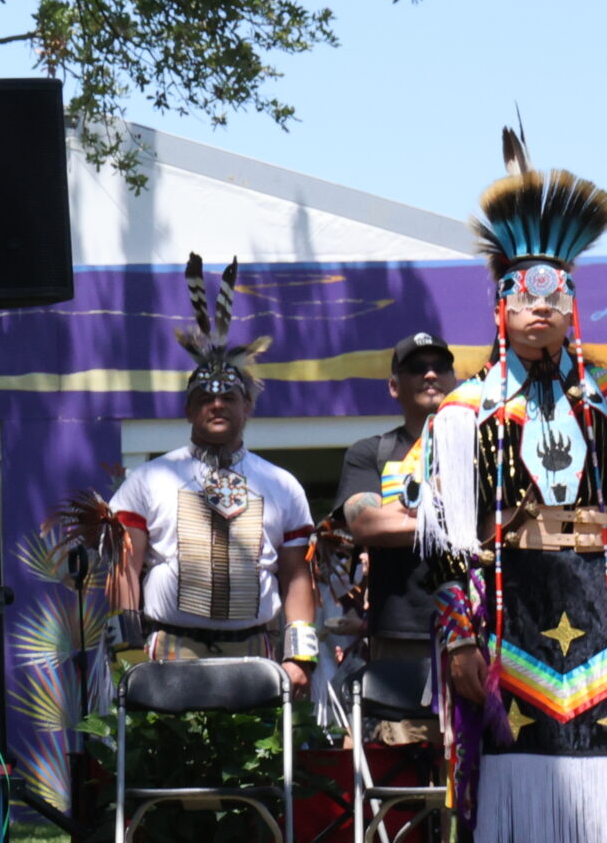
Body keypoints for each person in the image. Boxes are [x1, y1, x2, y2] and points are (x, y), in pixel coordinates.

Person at [418, 138, 607, 843]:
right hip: (509, 610)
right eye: (522, 297)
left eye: (554, 297)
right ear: (499, 307)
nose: (539, 309)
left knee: (592, 754)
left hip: (595, 603)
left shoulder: (600, 405)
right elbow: (447, 544)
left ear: (572, 304)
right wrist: (459, 631)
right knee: (516, 754)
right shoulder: (467, 413)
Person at [105, 259, 317, 686]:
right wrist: (127, 649)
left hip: (255, 655)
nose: (216, 405)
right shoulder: (149, 480)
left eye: (228, 397)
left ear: (247, 407)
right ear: (188, 410)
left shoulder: (281, 485)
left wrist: (301, 658)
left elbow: (296, 573)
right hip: (168, 655)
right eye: (203, 397)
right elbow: (125, 567)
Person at [335, 330, 455, 735]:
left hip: (481, 627)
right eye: (416, 368)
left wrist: (404, 516)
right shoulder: (372, 452)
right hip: (402, 632)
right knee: (407, 766)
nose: (430, 374)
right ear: (393, 386)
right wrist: (454, 519)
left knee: (477, 756)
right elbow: (367, 524)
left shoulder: (483, 449)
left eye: (440, 366)